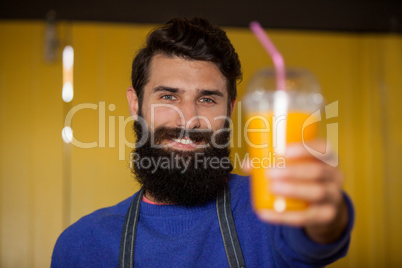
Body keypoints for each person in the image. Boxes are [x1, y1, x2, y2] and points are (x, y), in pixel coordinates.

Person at [51, 17, 354, 267]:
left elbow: (315, 237)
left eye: (207, 99)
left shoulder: (269, 206)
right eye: (168, 96)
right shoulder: (81, 245)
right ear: (135, 103)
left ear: (231, 109)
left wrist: (327, 213)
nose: (188, 119)